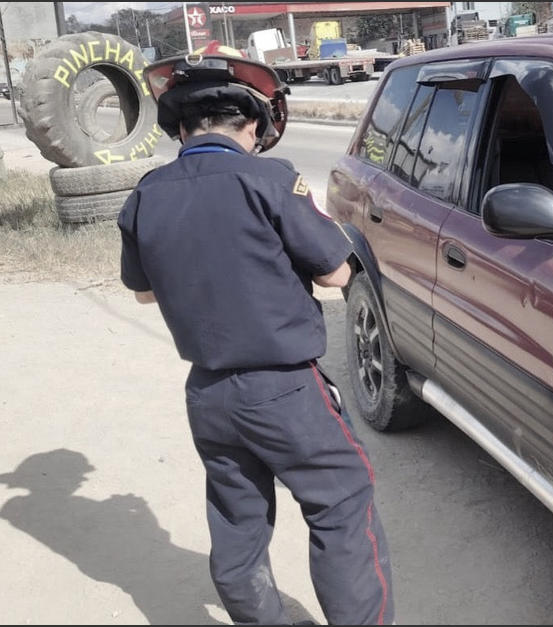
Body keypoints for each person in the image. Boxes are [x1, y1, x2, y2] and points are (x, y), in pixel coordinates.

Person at [117, 43, 394, 625]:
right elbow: (337, 271)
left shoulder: (146, 193)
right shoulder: (271, 180)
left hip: (208, 394)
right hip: (285, 389)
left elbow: (144, 293)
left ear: (183, 125)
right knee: (342, 501)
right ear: (251, 122)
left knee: (238, 519)